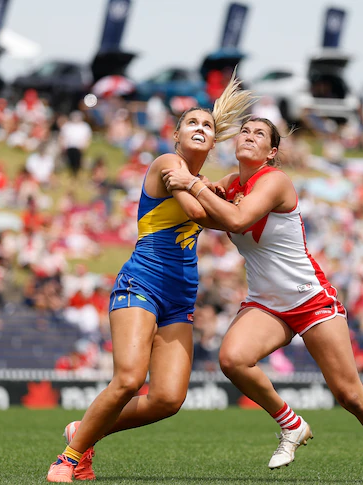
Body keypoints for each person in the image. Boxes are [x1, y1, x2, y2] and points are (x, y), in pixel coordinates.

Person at [162, 117, 363, 484]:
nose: (249, 136)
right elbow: (210, 216)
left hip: (309, 299)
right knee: (232, 359)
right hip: (266, 303)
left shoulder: (275, 181)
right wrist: (196, 185)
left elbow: (239, 219)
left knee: (351, 396)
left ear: (271, 152)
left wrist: (193, 183)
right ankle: (291, 424)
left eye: (259, 134)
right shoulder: (228, 184)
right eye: (245, 130)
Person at [45, 74, 256, 483]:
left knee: (167, 398)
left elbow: (223, 217)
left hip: (180, 296)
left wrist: (217, 193)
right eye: (192, 123)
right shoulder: (167, 164)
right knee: (128, 378)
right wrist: (221, 198)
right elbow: (201, 216)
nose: (200, 128)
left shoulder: (198, 182)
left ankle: (83, 431)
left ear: (213, 143)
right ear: (176, 136)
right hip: (141, 282)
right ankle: (69, 457)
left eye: (207, 126)